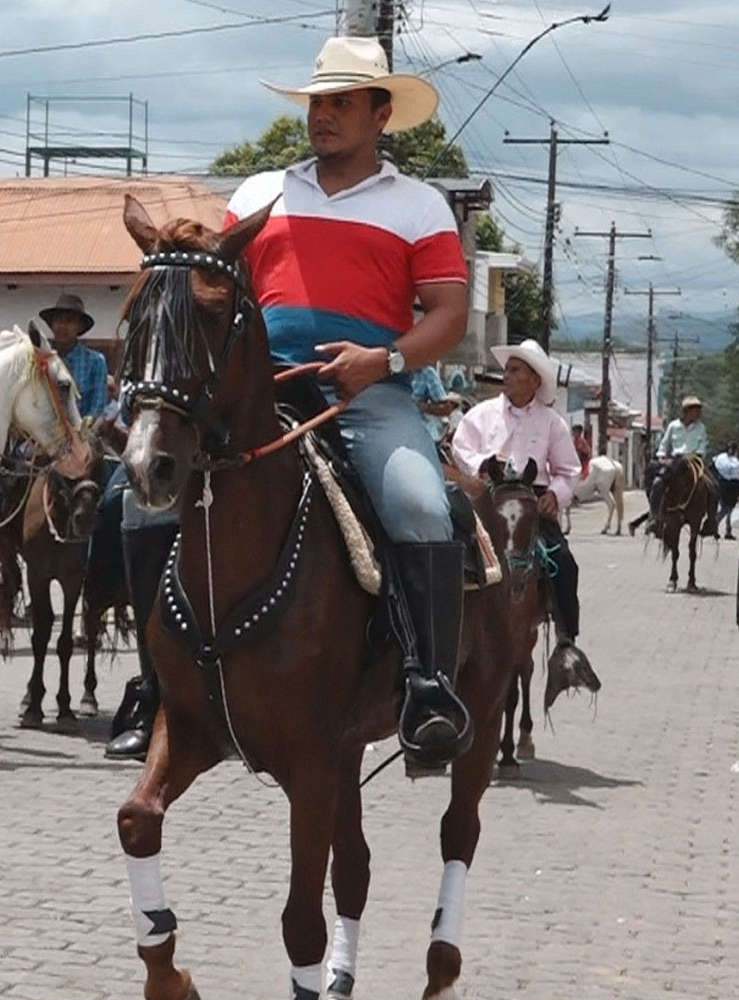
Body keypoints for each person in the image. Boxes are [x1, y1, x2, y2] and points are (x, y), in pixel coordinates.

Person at [225, 35, 472, 767]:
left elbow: (449, 316)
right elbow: (210, 289)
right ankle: (155, 687)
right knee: (138, 495)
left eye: (341, 103)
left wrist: (383, 360)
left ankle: (429, 689)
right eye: (316, 103)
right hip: (258, 395)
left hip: (366, 397)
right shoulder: (256, 194)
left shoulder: (419, 205)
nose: (323, 116)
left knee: (424, 506)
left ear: (381, 113)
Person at [451, 340, 587, 657]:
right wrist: (483, 463)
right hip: (488, 497)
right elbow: (460, 449)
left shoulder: (552, 422)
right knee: (450, 553)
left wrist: (555, 494)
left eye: (515, 371)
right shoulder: (482, 414)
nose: (507, 376)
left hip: (532, 502)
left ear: (535, 380)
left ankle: (567, 645)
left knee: (564, 564)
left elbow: (569, 470)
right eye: (507, 370)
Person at [647, 396, 715, 536]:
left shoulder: (700, 427)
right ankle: (655, 517)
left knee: (714, 486)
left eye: (698, 411)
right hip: (674, 461)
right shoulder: (673, 426)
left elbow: (702, 448)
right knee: (656, 483)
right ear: (686, 411)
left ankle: (710, 523)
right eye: (694, 410)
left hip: (693, 460)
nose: (697, 413)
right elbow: (664, 445)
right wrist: (662, 458)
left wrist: (693, 456)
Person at [39, 293, 107, 419]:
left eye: (69, 321)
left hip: (83, 432)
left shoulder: (96, 362)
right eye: (58, 320)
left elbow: (97, 408)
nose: (62, 326)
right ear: (52, 325)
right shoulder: (40, 358)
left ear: (79, 327)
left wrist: (80, 432)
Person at [411, 364, 454, 446]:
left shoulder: (426, 373)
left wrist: (421, 406)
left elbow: (446, 408)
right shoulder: (389, 370)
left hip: (418, 429)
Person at [713, 440, 739, 540]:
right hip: (731, 486)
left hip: (722, 485)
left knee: (726, 510)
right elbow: (736, 476)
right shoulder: (734, 462)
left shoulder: (720, 457)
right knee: (726, 510)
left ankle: (723, 529)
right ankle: (719, 528)